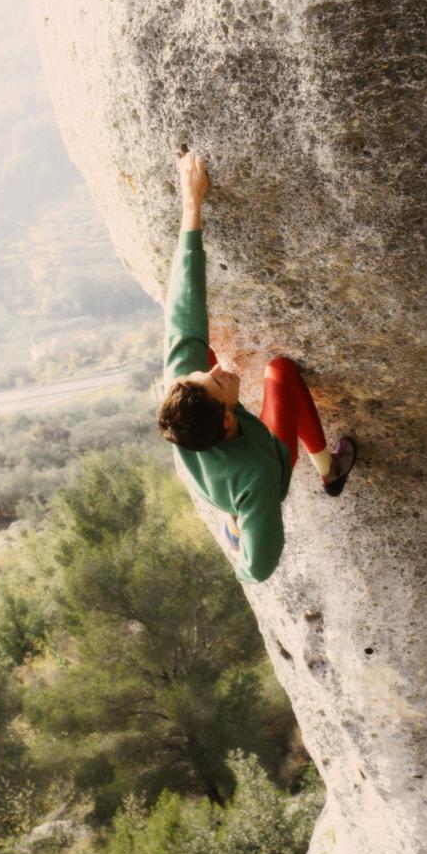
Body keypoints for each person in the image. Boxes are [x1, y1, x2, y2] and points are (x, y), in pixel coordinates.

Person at [157, 149, 356, 583]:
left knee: (195, 342)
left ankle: (246, 509)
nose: (214, 370)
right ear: (228, 418)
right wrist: (240, 534)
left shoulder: (186, 401)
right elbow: (257, 569)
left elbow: (183, 306)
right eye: (214, 382)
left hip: (224, 479)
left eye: (199, 374)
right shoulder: (258, 474)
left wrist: (192, 205)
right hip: (262, 466)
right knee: (280, 372)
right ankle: (330, 471)